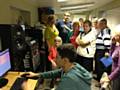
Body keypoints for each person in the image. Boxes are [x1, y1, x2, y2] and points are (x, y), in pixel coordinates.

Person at [23, 44, 92, 90]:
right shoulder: (74, 66)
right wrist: (37, 75)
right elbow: (57, 73)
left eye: (57, 57)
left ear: (65, 60)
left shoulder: (69, 79)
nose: (55, 59)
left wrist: (26, 89)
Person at [95, 18, 112, 83]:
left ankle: (101, 82)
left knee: (102, 68)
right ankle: (100, 80)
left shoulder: (105, 31)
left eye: (99, 23)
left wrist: (107, 51)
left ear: (103, 24)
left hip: (103, 52)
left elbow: (107, 43)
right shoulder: (103, 30)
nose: (98, 25)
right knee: (102, 67)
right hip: (102, 51)